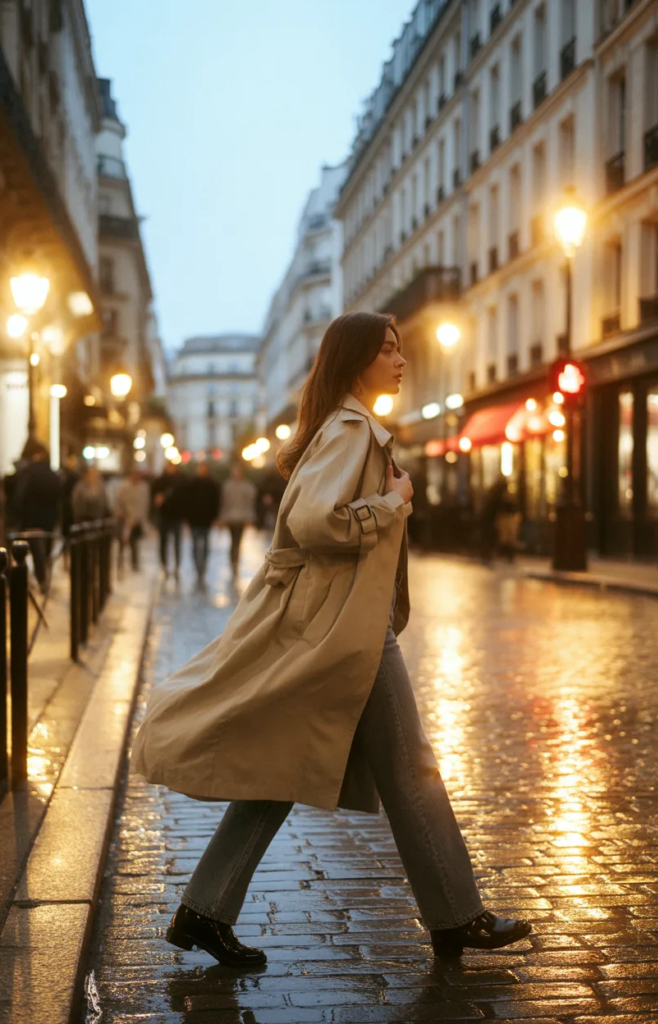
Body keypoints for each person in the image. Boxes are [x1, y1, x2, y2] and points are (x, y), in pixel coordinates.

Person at [130, 312, 532, 968]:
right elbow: (317, 522)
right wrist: (393, 501)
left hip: (341, 625)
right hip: (349, 630)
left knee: (287, 762)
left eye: (400, 350)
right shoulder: (352, 432)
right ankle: (457, 916)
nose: (400, 361)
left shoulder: (344, 428)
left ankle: (203, 911)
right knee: (411, 769)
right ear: (355, 362)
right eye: (387, 350)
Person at [12, 440, 62, 589]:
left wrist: (16, 516)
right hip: (49, 519)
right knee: (44, 549)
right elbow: (59, 496)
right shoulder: (52, 474)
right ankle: (43, 577)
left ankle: (41, 579)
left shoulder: (29, 472)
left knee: (35, 549)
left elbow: (20, 496)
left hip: (31, 519)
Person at [183, 462, 221, 584]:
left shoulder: (212, 484)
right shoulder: (192, 484)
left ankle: (203, 566)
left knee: (205, 545)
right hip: (194, 520)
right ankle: (197, 566)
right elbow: (187, 501)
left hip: (206, 520)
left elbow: (216, 502)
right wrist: (187, 517)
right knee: (194, 545)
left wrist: (214, 517)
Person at [218, 463, 257, 574]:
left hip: (241, 518)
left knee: (238, 540)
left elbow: (249, 503)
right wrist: (222, 518)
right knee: (233, 540)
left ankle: (236, 559)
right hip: (231, 518)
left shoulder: (247, 486)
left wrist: (250, 517)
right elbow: (224, 503)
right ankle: (233, 559)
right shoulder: (227, 486)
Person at [152, 461, 186, 577]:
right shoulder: (160, 481)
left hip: (177, 516)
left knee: (177, 542)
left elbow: (185, 498)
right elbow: (154, 498)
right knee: (163, 542)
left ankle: (177, 565)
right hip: (164, 516)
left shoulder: (181, 480)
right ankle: (164, 565)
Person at [114, 469, 151, 570]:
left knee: (134, 543)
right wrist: (120, 512)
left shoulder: (144, 488)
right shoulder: (125, 488)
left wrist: (140, 519)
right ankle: (120, 563)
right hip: (126, 518)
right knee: (123, 542)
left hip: (137, 520)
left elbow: (144, 505)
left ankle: (135, 563)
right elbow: (118, 500)